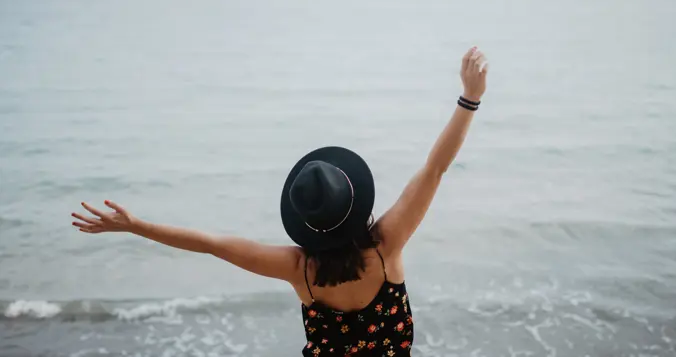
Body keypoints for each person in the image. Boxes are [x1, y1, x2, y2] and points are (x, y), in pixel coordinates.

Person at [71, 47, 489, 356]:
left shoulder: (299, 270)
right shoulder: (386, 246)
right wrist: (469, 98)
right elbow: (435, 168)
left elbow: (211, 244)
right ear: (356, 203)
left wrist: (135, 226)